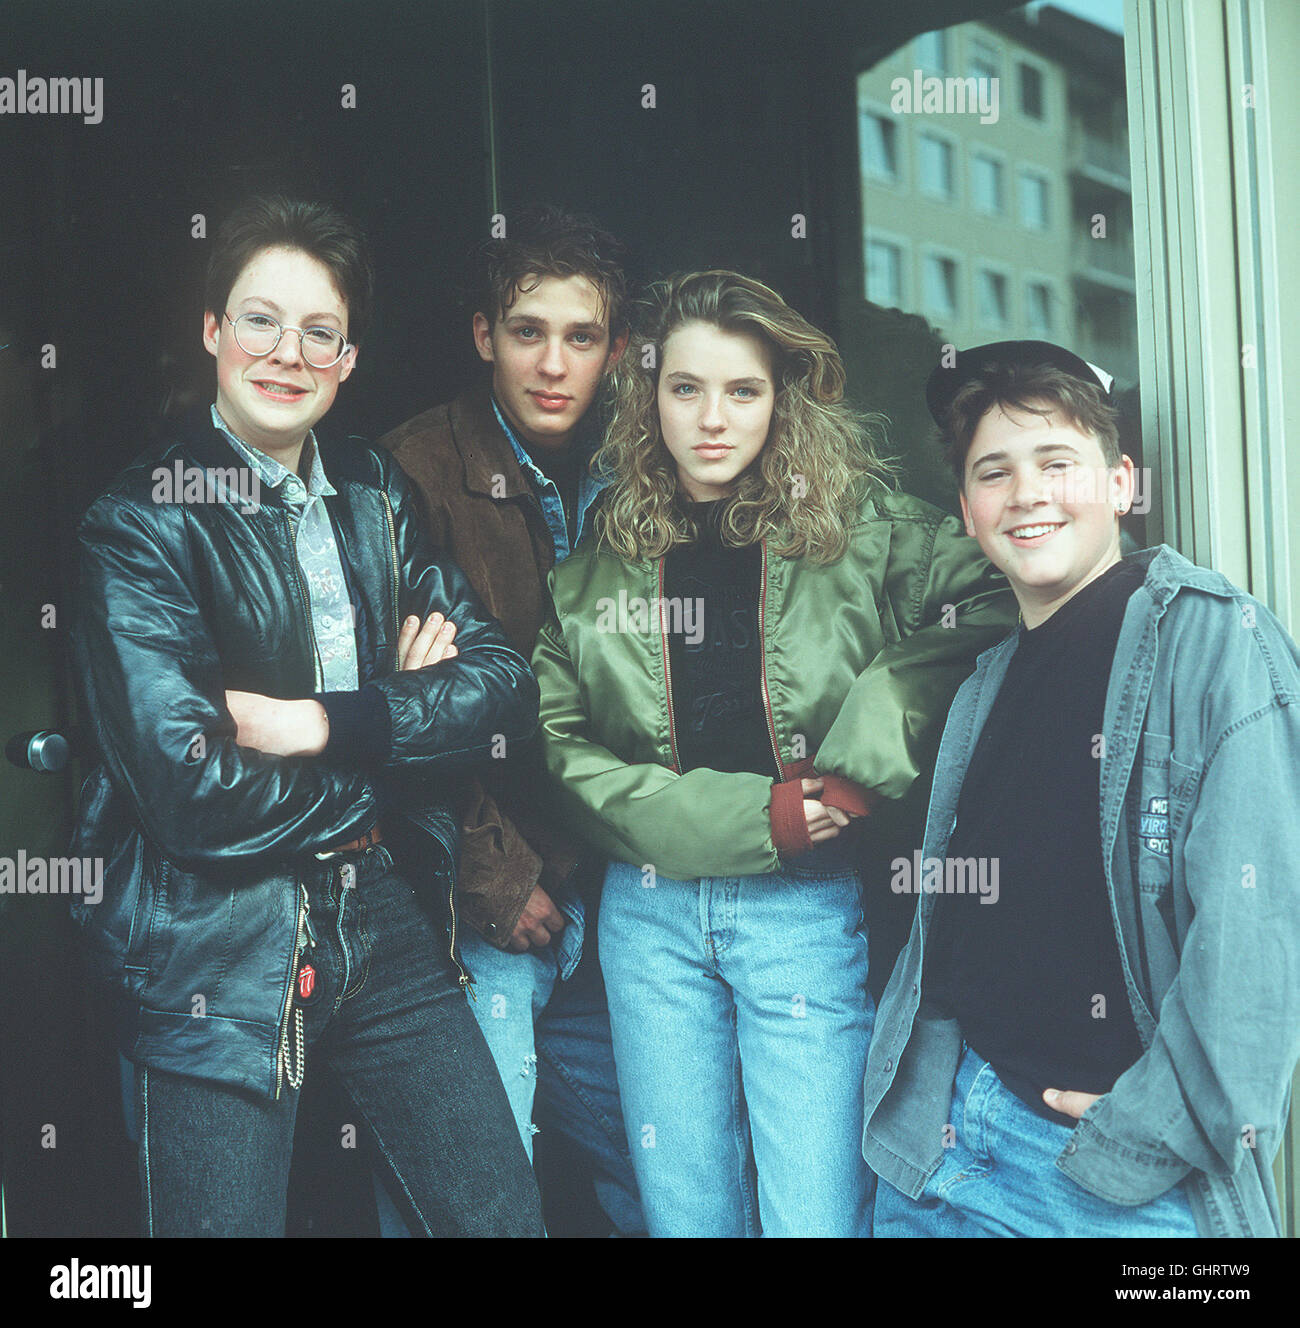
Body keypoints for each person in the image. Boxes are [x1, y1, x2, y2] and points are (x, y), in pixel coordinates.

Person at [70, 194, 544, 1237]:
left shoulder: (373, 489)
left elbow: (505, 681)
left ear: (350, 356)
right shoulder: (139, 525)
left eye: (318, 330)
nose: (287, 352)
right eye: (258, 320)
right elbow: (191, 790)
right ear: (210, 332)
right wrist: (399, 728)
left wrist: (316, 722)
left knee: (501, 1219)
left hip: (379, 904)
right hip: (215, 941)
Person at [531, 270, 1014, 1237]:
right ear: (648, 396)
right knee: (687, 1216)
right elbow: (563, 748)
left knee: (818, 1216)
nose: (713, 419)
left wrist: (861, 752)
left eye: (743, 391)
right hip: (651, 912)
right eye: (686, 389)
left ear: (783, 400)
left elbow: (998, 601)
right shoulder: (594, 569)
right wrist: (769, 816)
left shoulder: (867, 534)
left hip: (802, 909)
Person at [864, 340, 1300, 1238]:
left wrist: (1149, 1131)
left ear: (1120, 484)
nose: (1025, 492)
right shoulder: (983, 681)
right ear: (969, 512)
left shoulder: (1213, 641)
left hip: (1105, 1181)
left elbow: (1258, 934)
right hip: (943, 1149)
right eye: (995, 472)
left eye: (1056, 462)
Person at [379, 206, 644, 1234]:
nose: (553, 362)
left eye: (581, 337)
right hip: (480, 900)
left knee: (650, 1155)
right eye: (527, 330)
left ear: (616, 349)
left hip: (616, 883)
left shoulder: (647, 462)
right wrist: (497, 873)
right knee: (475, 1182)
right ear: (484, 333)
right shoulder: (408, 473)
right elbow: (402, 709)